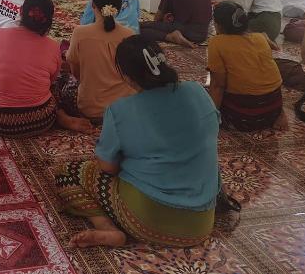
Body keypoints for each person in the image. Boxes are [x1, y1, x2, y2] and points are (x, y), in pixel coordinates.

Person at [54, 36, 219, 248]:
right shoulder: (198, 92)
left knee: (68, 172)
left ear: (126, 76)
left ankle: (106, 227)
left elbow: (108, 167)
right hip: (201, 225)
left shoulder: (120, 109)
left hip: (147, 222)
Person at [0, 0, 89, 136]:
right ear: (49, 20)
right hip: (41, 119)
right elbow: (50, 82)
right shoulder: (53, 46)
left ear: (20, 11)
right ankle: (61, 116)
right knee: (57, 85)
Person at [62, 0, 136, 123]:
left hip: (91, 110)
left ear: (92, 5)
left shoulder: (80, 33)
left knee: (62, 82)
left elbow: (76, 73)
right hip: (125, 109)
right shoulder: (130, 34)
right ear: (119, 7)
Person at [207, 2, 287, 131]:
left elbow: (218, 85)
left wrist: (210, 119)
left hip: (244, 117)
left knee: (202, 95)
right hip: (273, 110)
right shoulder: (260, 38)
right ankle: (280, 115)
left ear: (218, 25)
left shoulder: (216, 42)